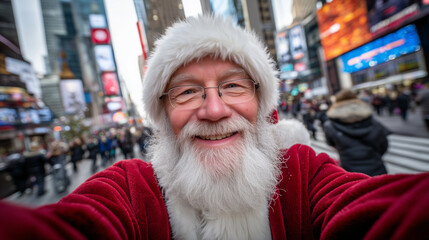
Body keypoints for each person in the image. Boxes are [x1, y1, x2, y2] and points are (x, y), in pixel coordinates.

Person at [1, 15, 429, 239]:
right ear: (163, 114)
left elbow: (382, 212)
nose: (213, 109)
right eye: (186, 92)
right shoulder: (132, 189)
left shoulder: (302, 172)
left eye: (232, 85)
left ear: (261, 102)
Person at [323, 89, 391, 176]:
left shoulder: (330, 125)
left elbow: (331, 144)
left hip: (350, 172)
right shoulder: (372, 120)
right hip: (377, 169)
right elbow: (383, 145)